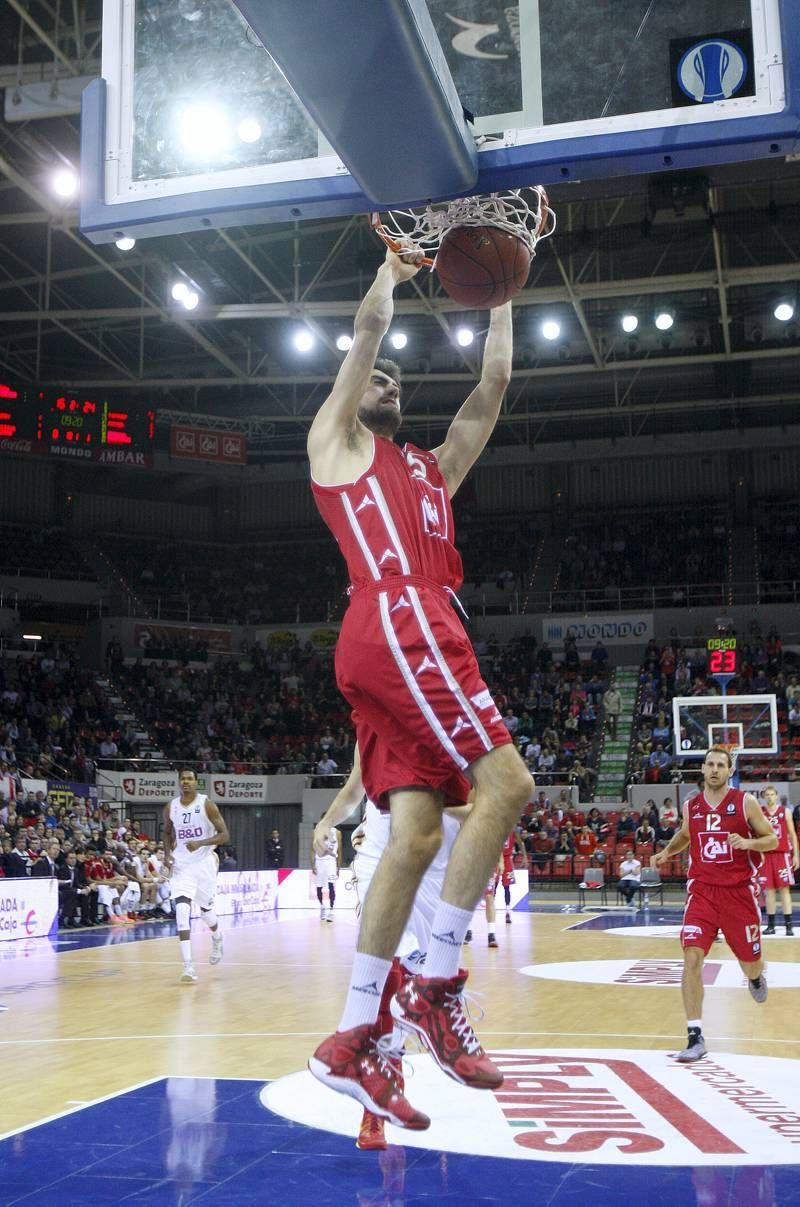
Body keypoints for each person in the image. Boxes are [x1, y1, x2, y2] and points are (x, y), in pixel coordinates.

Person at [306, 242, 533, 1126]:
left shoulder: (430, 472)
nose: (388, 380)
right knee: (509, 783)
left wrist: (508, 287)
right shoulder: (337, 442)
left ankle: (353, 1034)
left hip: (403, 633)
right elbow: (367, 331)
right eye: (377, 378)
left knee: (411, 836)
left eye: (399, 379)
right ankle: (436, 981)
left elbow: (495, 384)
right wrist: (391, 275)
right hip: (401, 618)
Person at [312, 746, 462, 1150]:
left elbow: (482, 800)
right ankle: (376, 1109)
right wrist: (326, 821)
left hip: (433, 860)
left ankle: (424, 1032)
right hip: (378, 855)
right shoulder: (373, 721)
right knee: (386, 980)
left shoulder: (450, 718)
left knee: (416, 983)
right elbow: (355, 786)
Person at [653, 747, 778, 1063]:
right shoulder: (691, 806)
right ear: (703, 768)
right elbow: (685, 835)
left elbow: (772, 840)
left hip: (737, 894)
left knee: (751, 961)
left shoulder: (744, 802)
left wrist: (748, 842)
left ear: (729, 770)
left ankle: (753, 975)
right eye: (709, 764)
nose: (714, 769)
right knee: (692, 957)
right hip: (702, 892)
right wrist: (667, 852)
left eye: (720, 765)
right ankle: (695, 1035)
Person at [163, 768, 229, 984]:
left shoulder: (206, 804)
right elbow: (166, 833)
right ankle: (188, 965)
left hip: (203, 863)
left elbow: (225, 835)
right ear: (178, 783)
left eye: (190, 778)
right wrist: (167, 857)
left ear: (196, 782)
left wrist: (200, 843)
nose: (186, 782)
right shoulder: (171, 807)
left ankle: (217, 936)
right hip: (182, 865)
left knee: (206, 912)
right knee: (182, 909)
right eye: (182, 778)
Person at [759, 785, 798, 935]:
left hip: (782, 855)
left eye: (772, 794)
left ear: (776, 796)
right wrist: (759, 852)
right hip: (767, 855)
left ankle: (789, 925)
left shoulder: (785, 812)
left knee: (784, 889)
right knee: (769, 891)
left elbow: (793, 834)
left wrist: (796, 855)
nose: (769, 797)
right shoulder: (761, 813)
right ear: (764, 797)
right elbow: (758, 835)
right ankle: (771, 925)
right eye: (767, 795)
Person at [312, 824, 340, 921]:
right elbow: (312, 849)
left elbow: (339, 850)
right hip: (319, 861)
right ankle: (322, 907)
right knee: (319, 887)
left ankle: (331, 911)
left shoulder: (337, 832)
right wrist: (312, 864)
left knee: (331, 886)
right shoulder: (316, 832)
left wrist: (338, 867)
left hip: (331, 862)